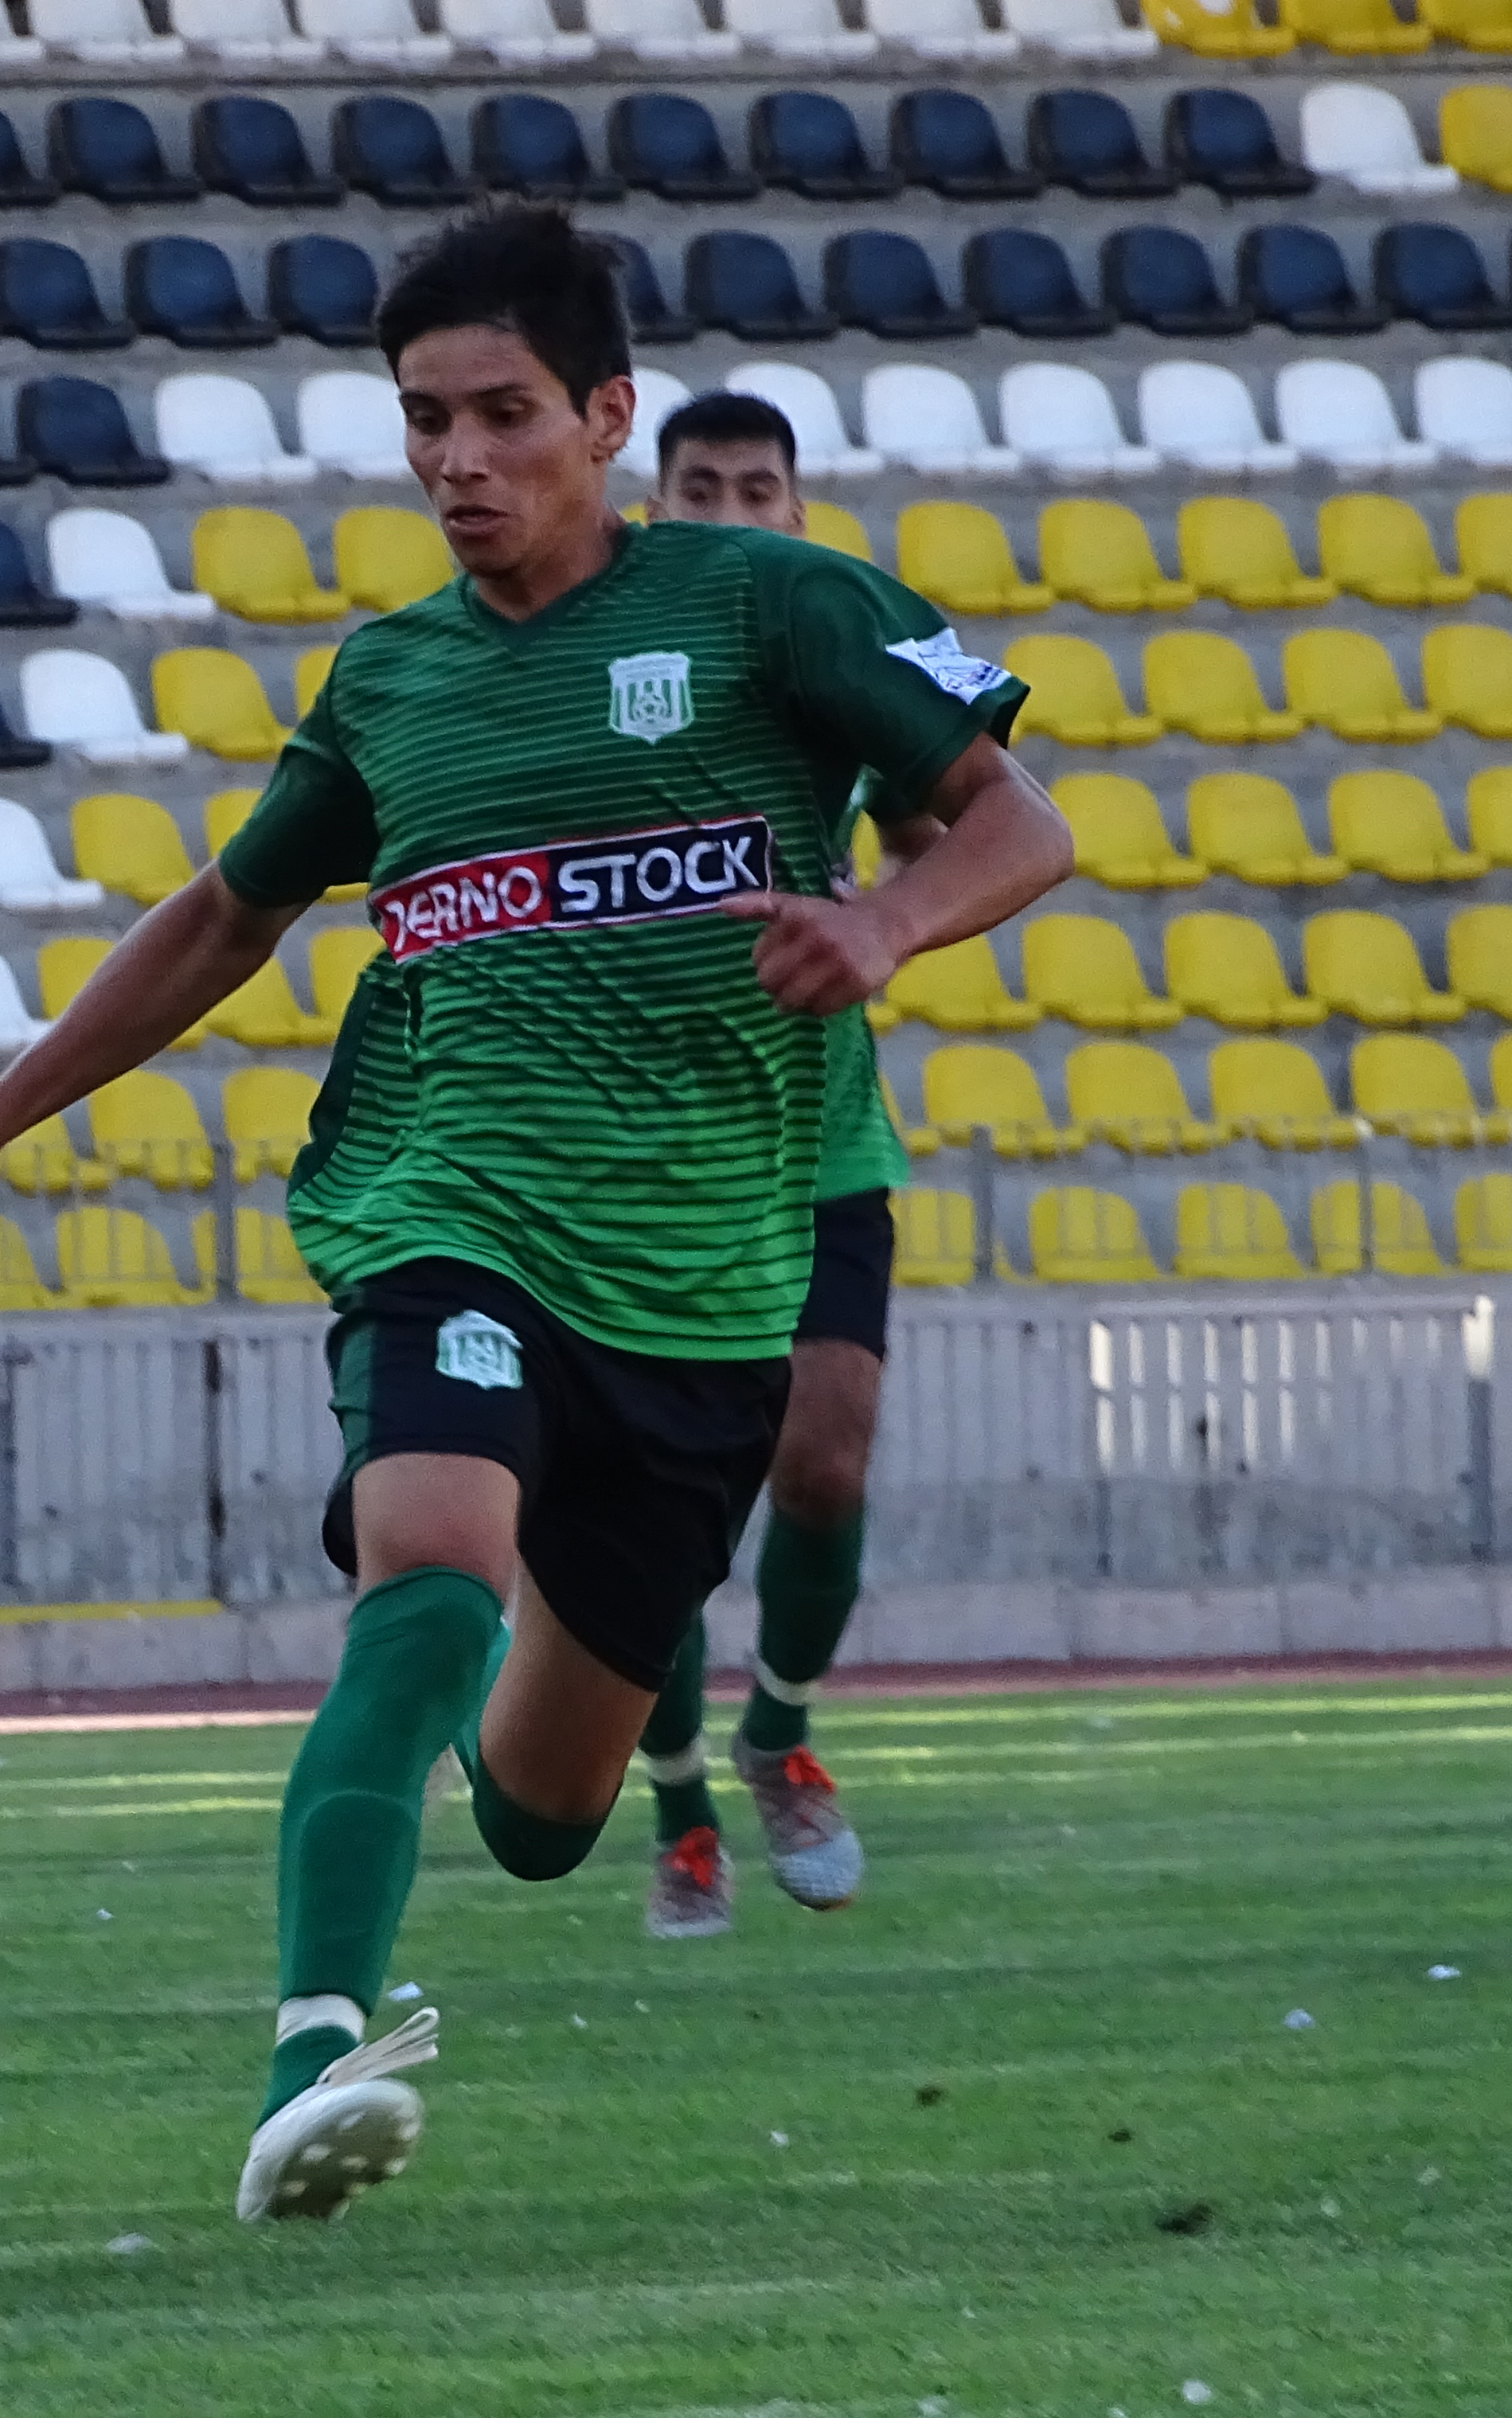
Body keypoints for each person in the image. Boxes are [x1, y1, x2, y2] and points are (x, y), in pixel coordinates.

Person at [0, 209, 1070, 2224]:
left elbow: (1024, 819)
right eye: (424, 423)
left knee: (540, 1817)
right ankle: (313, 2042)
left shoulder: (775, 605)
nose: (459, 462)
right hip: (449, 1201)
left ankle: (632, 1773)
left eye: (505, 416)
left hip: (700, 1281)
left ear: (608, 416)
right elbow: (231, 911)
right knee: (426, 1561)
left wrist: (887, 916)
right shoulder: (390, 680)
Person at [632, 389, 918, 1939]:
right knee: (667, 1514)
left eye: (761, 492)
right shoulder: (597, 661)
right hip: (645, 1161)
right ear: (652, 506)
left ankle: (780, 1728)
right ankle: (678, 1807)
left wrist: (888, 919)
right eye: (702, 491)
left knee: (826, 1459)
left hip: (815, 1139)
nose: (734, 519)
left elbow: (971, 815)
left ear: (798, 513)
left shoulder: (840, 655)